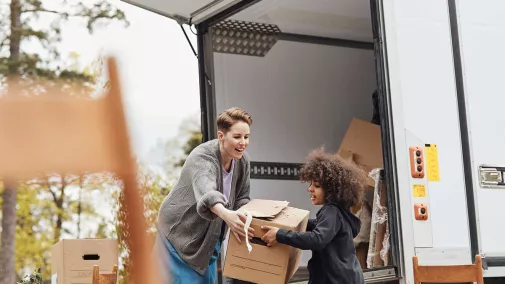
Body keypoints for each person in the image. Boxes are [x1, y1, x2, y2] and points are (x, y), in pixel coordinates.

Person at [153, 107, 255, 284]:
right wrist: (226, 214)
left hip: (209, 233)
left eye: (246, 137)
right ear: (221, 136)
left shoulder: (242, 161)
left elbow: (242, 198)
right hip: (181, 231)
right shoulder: (202, 157)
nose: (243, 143)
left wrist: (249, 218)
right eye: (237, 137)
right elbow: (208, 193)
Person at [261, 148, 367, 284]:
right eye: (311, 184)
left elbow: (317, 239)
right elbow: (319, 226)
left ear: (332, 190)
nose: (310, 188)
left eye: (316, 185)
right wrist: (294, 220)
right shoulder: (340, 212)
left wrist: (280, 235)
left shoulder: (331, 211)